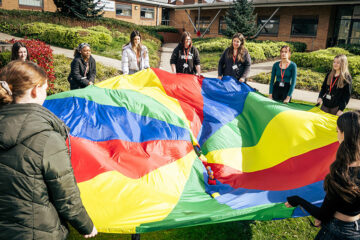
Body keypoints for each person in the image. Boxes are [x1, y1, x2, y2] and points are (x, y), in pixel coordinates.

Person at [0, 60, 98, 239]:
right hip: (37, 231)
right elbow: (66, 196)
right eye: (45, 88)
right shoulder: (47, 138)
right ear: (36, 90)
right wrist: (87, 226)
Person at [285, 111, 360, 240]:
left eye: (337, 131)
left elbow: (323, 215)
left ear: (343, 134)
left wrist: (298, 200)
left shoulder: (340, 173)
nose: (337, 135)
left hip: (336, 231)